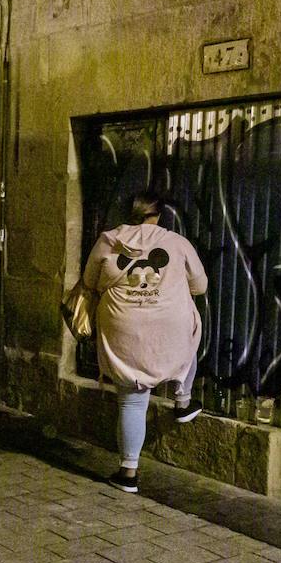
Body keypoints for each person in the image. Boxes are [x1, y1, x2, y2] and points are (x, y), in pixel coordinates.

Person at [82, 189, 207, 493]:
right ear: (159, 214)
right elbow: (200, 286)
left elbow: (89, 283)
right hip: (169, 328)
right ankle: (182, 400)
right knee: (190, 331)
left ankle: (128, 473)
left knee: (133, 401)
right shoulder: (177, 243)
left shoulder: (108, 240)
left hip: (121, 328)